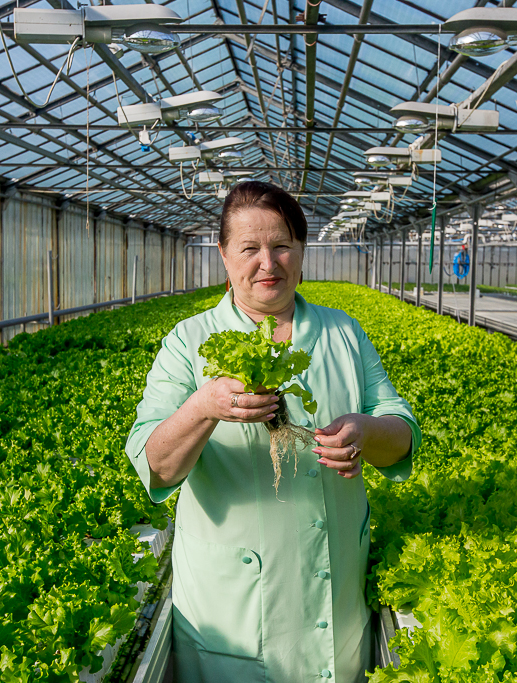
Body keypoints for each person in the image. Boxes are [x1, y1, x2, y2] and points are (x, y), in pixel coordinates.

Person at [125, 181, 421, 683]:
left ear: (302, 250)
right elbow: (155, 464)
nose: (268, 263)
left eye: (282, 245)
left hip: (335, 608)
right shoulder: (188, 341)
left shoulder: (342, 333)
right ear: (223, 255)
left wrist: (367, 432)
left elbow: (403, 436)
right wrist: (204, 406)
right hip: (229, 616)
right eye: (249, 249)